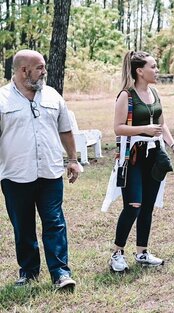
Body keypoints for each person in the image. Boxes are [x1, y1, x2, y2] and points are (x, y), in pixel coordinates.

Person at [0, 50, 80, 289]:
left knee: (55, 222)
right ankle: (29, 272)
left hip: (50, 172)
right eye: (40, 67)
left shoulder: (52, 95)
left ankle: (61, 273)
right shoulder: (2, 99)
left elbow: (65, 129)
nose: (44, 71)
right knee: (23, 225)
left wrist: (73, 159)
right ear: (24, 70)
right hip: (15, 174)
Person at [109, 51, 174, 272]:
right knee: (133, 205)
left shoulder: (154, 92)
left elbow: (163, 124)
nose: (157, 70)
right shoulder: (126, 95)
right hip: (133, 157)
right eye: (153, 66)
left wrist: (173, 145)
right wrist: (144, 129)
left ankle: (142, 252)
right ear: (140, 71)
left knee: (147, 207)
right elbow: (118, 127)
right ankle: (116, 253)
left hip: (153, 156)